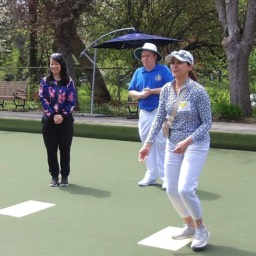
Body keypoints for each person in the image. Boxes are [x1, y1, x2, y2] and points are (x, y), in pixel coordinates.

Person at [138, 50, 212, 250]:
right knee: (171, 189)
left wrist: (188, 141)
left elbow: (207, 123)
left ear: (189, 67)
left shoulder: (198, 91)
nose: (174, 65)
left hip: (195, 144)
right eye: (172, 62)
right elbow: (159, 118)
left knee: (186, 189)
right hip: (173, 145)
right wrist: (148, 144)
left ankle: (201, 228)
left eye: (180, 62)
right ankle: (188, 225)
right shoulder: (166, 90)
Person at [128, 42, 173, 189]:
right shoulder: (138, 72)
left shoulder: (163, 70)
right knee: (146, 142)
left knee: (161, 143)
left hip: (160, 112)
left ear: (155, 57)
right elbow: (131, 91)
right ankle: (151, 174)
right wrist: (140, 94)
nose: (145, 59)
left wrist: (152, 91)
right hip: (144, 113)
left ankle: (166, 177)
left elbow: (171, 87)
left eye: (148, 56)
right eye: (143, 56)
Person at [39, 53, 77, 187]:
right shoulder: (44, 81)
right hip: (49, 120)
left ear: (61, 65)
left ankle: (65, 176)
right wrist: (52, 114)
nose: (53, 66)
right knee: (51, 148)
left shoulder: (69, 82)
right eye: (51, 64)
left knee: (65, 149)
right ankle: (54, 176)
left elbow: (72, 100)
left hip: (65, 120)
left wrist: (63, 115)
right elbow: (42, 98)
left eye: (56, 63)